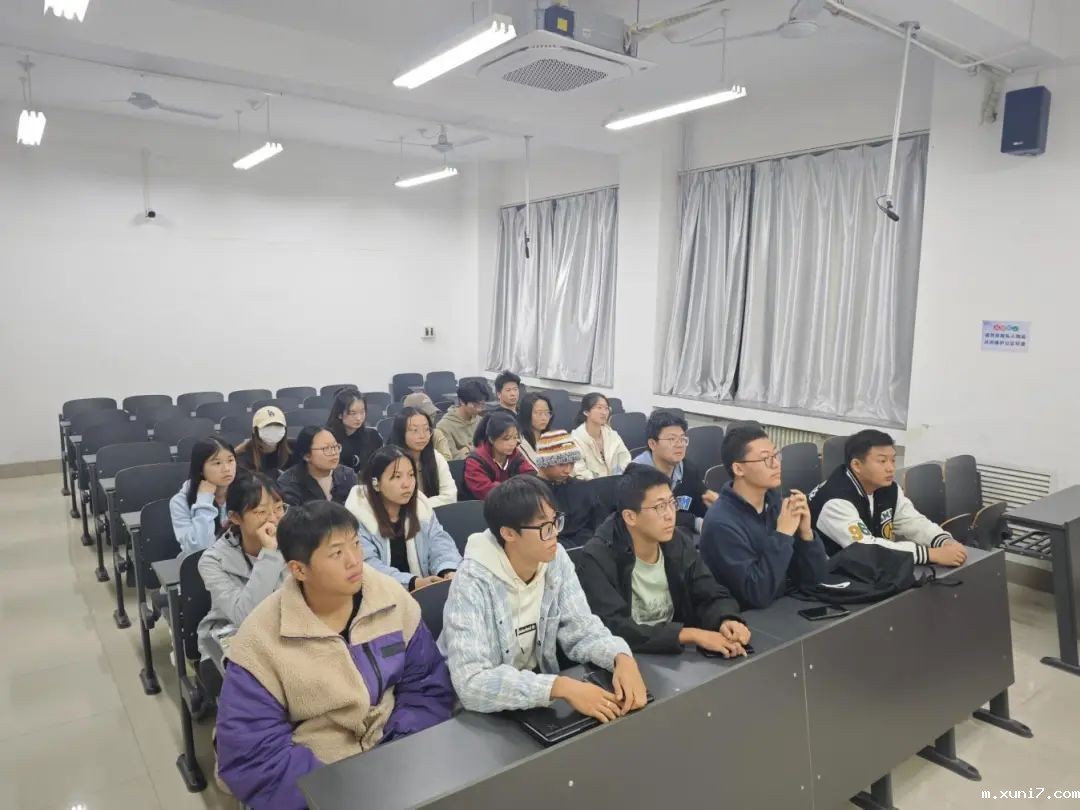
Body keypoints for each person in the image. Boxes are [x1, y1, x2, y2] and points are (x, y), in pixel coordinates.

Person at [215, 501, 454, 810]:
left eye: (355, 544)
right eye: (336, 553)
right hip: (320, 777)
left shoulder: (390, 598)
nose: (354, 560)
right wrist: (336, 790)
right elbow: (254, 755)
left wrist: (399, 752)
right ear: (299, 569)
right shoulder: (260, 640)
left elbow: (426, 686)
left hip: (397, 756)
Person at [440, 476, 648, 721]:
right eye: (544, 528)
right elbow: (471, 682)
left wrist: (620, 657)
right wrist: (559, 687)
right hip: (477, 714)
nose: (555, 534)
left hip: (533, 699)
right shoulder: (471, 582)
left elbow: (581, 627)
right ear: (508, 533)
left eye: (555, 521)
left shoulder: (555, 559)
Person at [577, 467, 750, 656]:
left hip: (674, 656)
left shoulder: (678, 541)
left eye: (671, 503)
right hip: (626, 658)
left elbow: (709, 591)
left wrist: (725, 619)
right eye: (659, 507)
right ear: (630, 517)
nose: (670, 514)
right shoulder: (597, 558)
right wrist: (689, 635)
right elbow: (614, 627)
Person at [699, 425, 829, 609]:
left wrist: (806, 535)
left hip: (785, 607)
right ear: (739, 469)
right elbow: (757, 595)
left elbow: (815, 579)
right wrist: (782, 535)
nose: (776, 464)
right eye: (766, 459)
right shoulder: (720, 523)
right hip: (746, 618)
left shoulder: (775, 504)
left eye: (776, 455)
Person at [809, 430, 968, 567]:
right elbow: (866, 548)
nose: (891, 468)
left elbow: (912, 521)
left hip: (866, 571)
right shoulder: (835, 501)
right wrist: (930, 554)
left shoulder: (888, 488)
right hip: (828, 575)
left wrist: (944, 541)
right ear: (857, 465)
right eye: (882, 461)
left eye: (893, 460)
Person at [197, 472, 288, 660]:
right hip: (234, 641)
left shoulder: (294, 541)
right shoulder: (213, 560)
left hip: (286, 634)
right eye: (261, 512)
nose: (273, 519)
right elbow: (245, 616)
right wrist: (270, 554)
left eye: (279, 508)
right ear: (235, 517)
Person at [345, 446, 461, 592]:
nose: (407, 484)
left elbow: (440, 542)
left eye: (411, 475)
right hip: (380, 595)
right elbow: (369, 565)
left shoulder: (421, 507)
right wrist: (413, 583)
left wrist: (447, 570)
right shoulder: (359, 516)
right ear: (376, 483)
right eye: (397, 477)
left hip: (423, 591)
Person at [626, 410, 717, 534]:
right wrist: (693, 522)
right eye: (671, 439)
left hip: (681, 536)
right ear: (652, 444)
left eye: (682, 439)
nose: (680, 445)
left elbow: (701, 501)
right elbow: (647, 517)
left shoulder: (688, 469)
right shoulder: (636, 475)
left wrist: (716, 509)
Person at [532, 430, 606, 548]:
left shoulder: (583, 489)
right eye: (561, 464)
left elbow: (597, 526)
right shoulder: (529, 492)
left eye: (571, 464)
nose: (567, 470)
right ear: (544, 463)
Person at [170, 436, 237, 556]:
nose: (227, 469)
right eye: (217, 463)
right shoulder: (180, 502)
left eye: (230, 460)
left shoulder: (245, 490)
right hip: (200, 562)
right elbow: (199, 549)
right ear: (200, 469)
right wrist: (204, 500)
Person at [391, 404, 457, 507]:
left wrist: (420, 506)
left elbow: (450, 497)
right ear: (401, 433)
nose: (422, 436)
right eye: (415, 430)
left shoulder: (436, 457)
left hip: (435, 515)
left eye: (426, 429)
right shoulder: (391, 462)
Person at [462, 410, 536, 500]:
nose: (512, 443)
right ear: (491, 439)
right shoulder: (475, 461)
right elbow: (486, 492)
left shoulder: (515, 455)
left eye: (515, 437)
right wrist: (518, 486)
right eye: (506, 439)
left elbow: (531, 476)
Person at [277, 426, 358, 507]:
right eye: (326, 448)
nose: (334, 453)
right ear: (307, 456)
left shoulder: (347, 475)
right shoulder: (289, 482)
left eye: (335, 446)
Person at [571, 393, 631, 480]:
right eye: (599, 408)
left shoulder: (612, 435)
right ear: (586, 412)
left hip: (616, 483)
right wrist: (603, 482)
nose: (604, 412)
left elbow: (625, 460)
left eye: (606, 408)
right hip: (591, 485)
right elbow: (580, 472)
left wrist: (617, 479)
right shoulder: (575, 439)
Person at [326, 388, 383, 475]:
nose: (359, 418)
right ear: (340, 414)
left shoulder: (373, 436)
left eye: (362, 412)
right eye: (353, 413)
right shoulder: (327, 438)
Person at [433, 380, 488, 461]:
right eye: (475, 405)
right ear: (462, 401)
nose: (479, 409)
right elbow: (451, 459)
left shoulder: (481, 421)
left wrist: (468, 449)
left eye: (482, 404)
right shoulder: (444, 426)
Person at [235, 406, 291, 477]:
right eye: (267, 425)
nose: (273, 429)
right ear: (255, 430)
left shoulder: (294, 448)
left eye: (278, 425)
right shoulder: (242, 456)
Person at [516, 392, 553, 468]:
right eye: (539, 413)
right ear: (527, 413)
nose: (544, 418)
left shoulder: (551, 438)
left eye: (547, 413)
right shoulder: (520, 442)